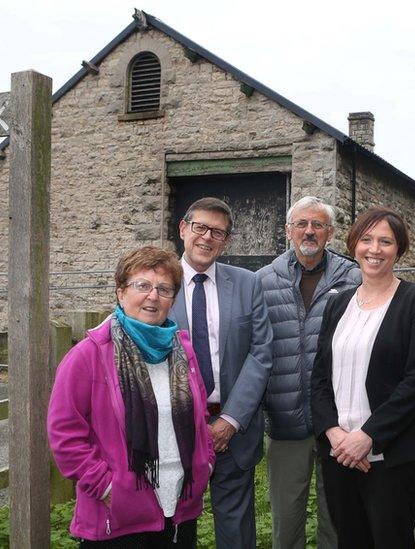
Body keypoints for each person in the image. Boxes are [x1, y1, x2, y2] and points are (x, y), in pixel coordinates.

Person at [47, 246, 215, 548]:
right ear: (121, 292)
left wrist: (206, 464)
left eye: (164, 289)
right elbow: (65, 435)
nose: (153, 296)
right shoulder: (88, 355)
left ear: (172, 299)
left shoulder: (182, 352)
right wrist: (107, 486)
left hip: (179, 508)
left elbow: (200, 416)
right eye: (143, 285)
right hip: (119, 517)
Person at [310, 206, 415, 548]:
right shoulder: (337, 305)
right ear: (354, 245)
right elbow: (320, 377)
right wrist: (334, 433)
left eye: (386, 241)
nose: (375, 249)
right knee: (349, 540)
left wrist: (367, 436)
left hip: (391, 456)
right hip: (339, 453)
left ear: (399, 249)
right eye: (366, 239)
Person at [167, 197, 273, 548]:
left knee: (236, 530)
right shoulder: (159, 285)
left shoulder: (247, 284)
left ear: (226, 241)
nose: (207, 237)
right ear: (183, 229)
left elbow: (260, 353)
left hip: (233, 429)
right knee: (177, 529)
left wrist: (231, 419)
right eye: (200, 227)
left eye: (218, 232)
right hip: (173, 432)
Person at [257, 196, 361, 549]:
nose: (309, 231)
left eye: (318, 225)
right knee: (286, 520)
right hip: (285, 419)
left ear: (330, 232)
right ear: (288, 230)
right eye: (301, 224)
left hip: (338, 421)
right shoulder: (263, 281)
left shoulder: (354, 278)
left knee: (337, 516)